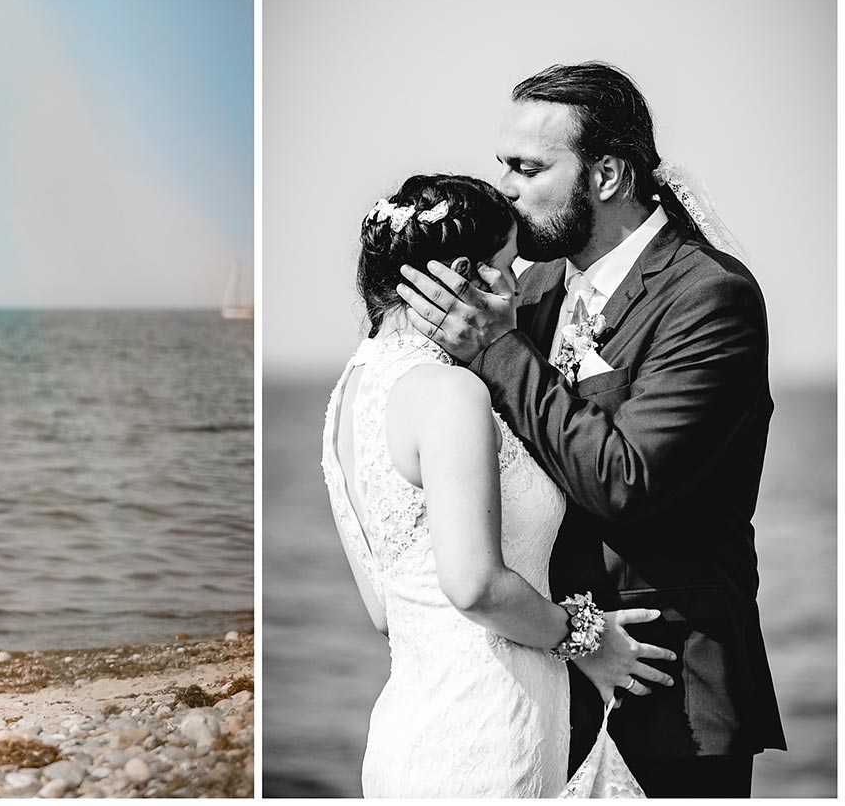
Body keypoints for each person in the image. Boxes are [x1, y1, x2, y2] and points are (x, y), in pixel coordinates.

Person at [399, 63, 784, 797]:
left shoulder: (710, 296)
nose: (505, 188)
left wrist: (498, 350)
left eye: (528, 167)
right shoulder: (533, 288)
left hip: (666, 692)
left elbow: (624, 481)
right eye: (502, 166)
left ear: (606, 175)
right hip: (536, 687)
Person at [322, 174, 671, 797]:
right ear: (463, 274)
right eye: (506, 267)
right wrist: (587, 641)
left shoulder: (348, 394)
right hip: (487, 731)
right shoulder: (450, 392)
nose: (516, 287)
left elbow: (385, 609)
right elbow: (476, 585)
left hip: (411, 726)